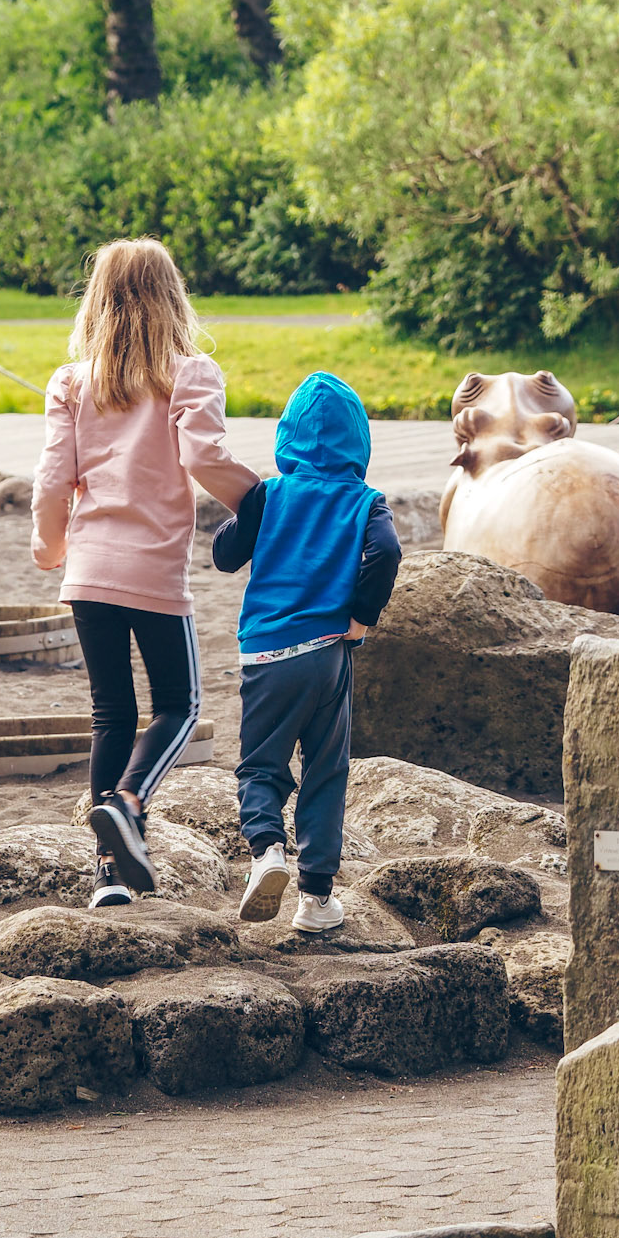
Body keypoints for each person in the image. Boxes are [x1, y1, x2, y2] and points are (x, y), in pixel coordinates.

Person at [31, 238, 259, 908]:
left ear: (97, 302)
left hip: (88, 569)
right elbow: (205, 458)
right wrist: (264, 504)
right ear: (172, 299)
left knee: (111, 712)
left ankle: (107, 874)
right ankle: (128, 804)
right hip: (154, 570)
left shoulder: (72, 382)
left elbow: (53, 477)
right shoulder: (191, 374)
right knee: (180, 706)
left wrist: (49, 545)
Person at [211, 370, 402, 934]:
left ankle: (267, 848)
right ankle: (316, 899)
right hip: (328, 654)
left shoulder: (269, 494)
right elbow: (387, 553)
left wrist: (245, 511)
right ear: (359, 441)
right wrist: (360, 619)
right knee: (326, 769)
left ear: (287, 435)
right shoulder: (366, 502)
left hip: (267, 655)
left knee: (260, 764)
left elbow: (224, 556)